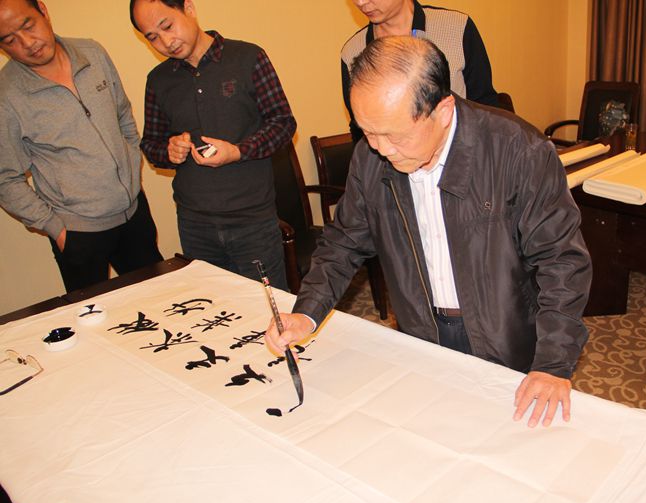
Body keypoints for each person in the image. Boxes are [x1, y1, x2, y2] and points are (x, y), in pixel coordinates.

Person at [268, 36, 592, 429]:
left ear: (442, 110)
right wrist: (306, 312)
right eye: (367, 131)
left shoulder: (517, 150)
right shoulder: (371, 157)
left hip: (507, 334)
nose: (380, 148)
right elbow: (344, 242)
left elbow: (561, 260)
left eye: (395, 135)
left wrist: (552, 363)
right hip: (419, 332)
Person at [0, 0, 163, 292]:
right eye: (9, 40)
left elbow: (122, 114)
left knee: (159, 297)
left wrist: (130, 166)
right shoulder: (7, 96)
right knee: (97, 315)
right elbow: (5, 178)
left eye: (28, 25)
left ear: (43, 10)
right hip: (78, 233)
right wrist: (57, 229)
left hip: (134, 212)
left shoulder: (92, 52)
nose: (27, 43)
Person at [130, 0, 296, 288]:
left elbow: (283, 123)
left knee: (267, 305)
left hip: (252, 220)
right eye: (152, 37)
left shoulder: (248, 57)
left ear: (189, 8)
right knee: (214, 306)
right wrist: (169, 151)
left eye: (167, 26)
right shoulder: (158, 80)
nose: (166, 42)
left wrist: (238, 151)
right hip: (195, 224)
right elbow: (151, 144)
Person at [342, 0, 499, 140]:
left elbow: (485, 107)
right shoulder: (352, 52)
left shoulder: (457, 27)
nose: (360, 2)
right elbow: (359, 128)